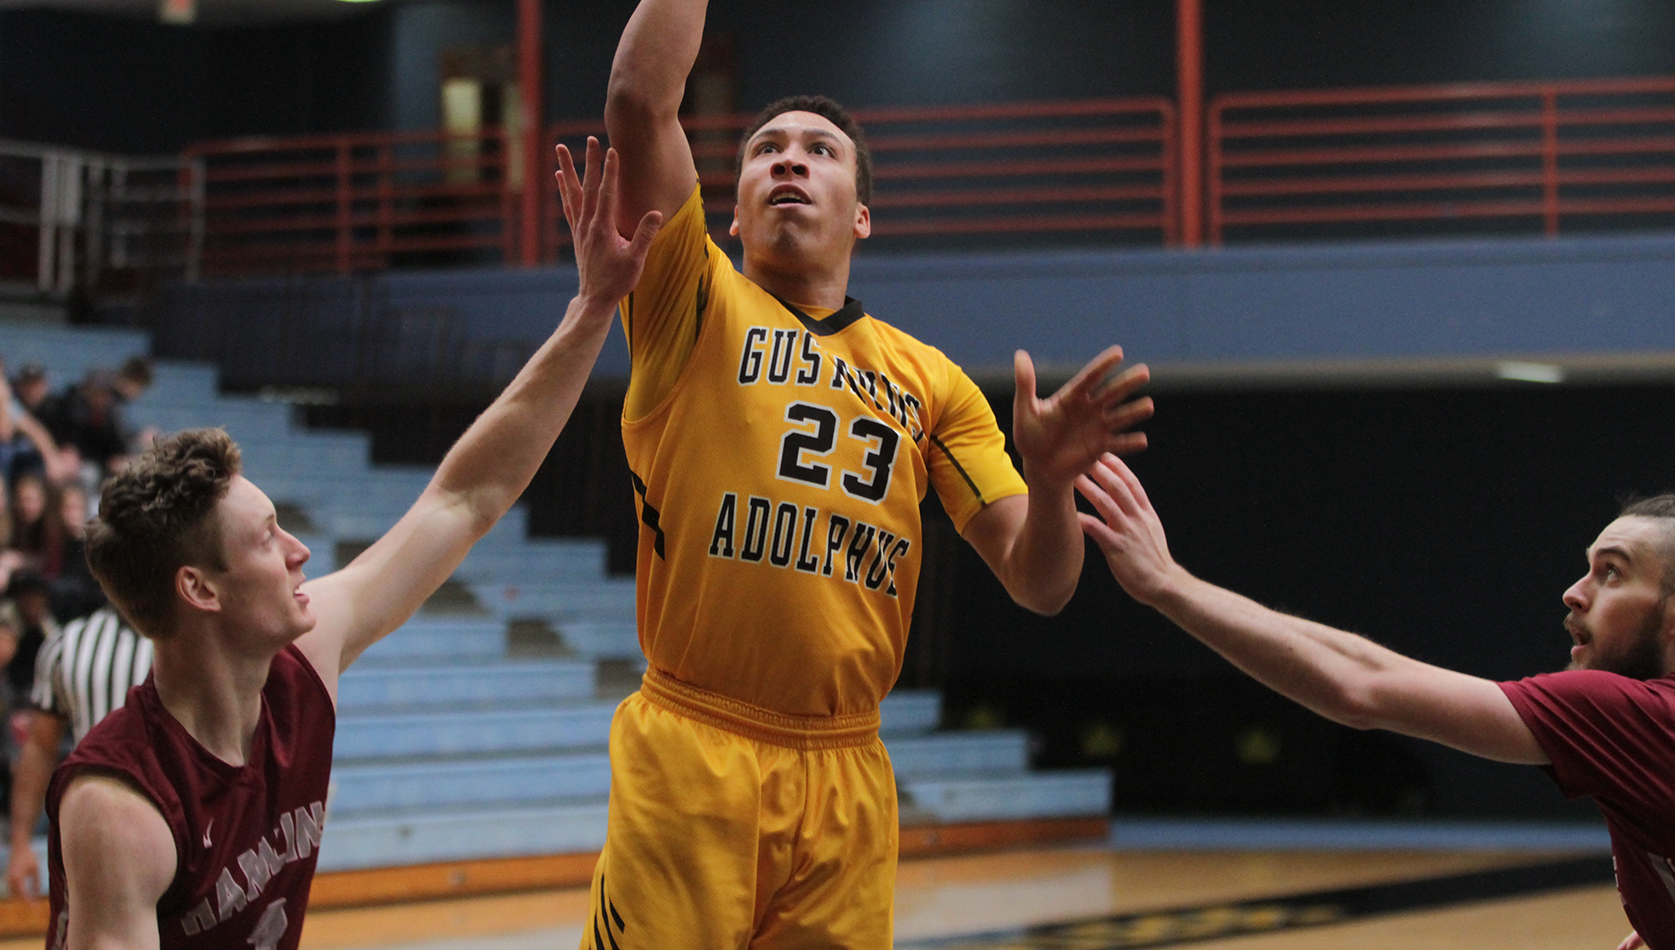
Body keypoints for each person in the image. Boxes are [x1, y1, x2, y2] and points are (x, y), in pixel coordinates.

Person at [576, 3, 1153, 946]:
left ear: (864, 215)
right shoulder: (691, 297)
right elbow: (641, 99)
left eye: (819, 151)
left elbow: (1041, 583)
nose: (789, 160)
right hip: (692, 749)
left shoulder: (932, 384)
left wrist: (1049, 488)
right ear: (731, 209)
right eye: (764, 150)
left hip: (847, 773)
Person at [42, 142, 661, 950]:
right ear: (200, 589)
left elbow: (464, 499)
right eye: (267, 539)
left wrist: (590, 311)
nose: (301, 551)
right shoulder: (121, 803)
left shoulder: (303, 661)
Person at [1077, 454, 1675, 950]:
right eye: (1587, 570)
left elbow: (1359, 685)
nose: (1574, 593)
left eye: (1612, 574)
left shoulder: (1628, 714)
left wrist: (1167, 584)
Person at [7, 606, 150, 901]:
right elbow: (40, 748)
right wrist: (20, 843)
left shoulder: (204, 632)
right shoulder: (68, 643)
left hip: (196, 830)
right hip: (98, 833)